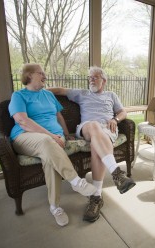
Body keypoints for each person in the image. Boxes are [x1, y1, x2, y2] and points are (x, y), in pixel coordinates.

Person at [8, 63, 97, 227]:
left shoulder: (48, 95)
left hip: (52, 140)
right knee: (47, 141)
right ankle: (76, 181)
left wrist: (64, 133)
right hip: (25, 137)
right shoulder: (19, 96)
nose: (45, 76)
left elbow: (59, 116)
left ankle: (54, 206)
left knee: (49, 158)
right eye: (40, 73)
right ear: (29, 76)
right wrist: (52, 136)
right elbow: (22, 121)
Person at [48, 66, 136, 223]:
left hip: (107, 129)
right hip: (87, 127)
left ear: (104, 80)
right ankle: (116, 173)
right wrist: (40, 89)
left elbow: (123, 112)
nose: (91, 80)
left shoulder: (111, 95)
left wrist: (115, 120)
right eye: (90, 77)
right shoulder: (81, 93)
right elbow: (60, 90)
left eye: (95, 77)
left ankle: (96, 198)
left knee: (97, 147)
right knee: (94, 126)